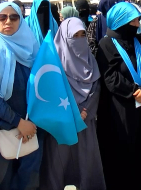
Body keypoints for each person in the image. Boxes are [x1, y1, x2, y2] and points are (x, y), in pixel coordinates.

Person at [95, 2, 141, 190]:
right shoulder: (106, 44)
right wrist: (134, 92)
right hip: (118, 110)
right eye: (132, 21)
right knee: (120, 153)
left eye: (137, 20)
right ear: (120, 21)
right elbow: (110, 77)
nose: (136, 24)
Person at [0, 2, 42, 190]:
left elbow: (44, 86)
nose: (8, 21)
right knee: (2, 181)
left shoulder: (32, 49)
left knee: (29, 181)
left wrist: (31, 123)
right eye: (2, 17)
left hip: (33, 127)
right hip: (2, 129)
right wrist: (19, 122)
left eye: (14, 17)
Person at [40, 17, 105, 190]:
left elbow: (96, 87)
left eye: (83, 34)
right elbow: (51, 90)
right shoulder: (53, 62)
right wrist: (72, 113)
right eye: (74, 35)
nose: (80, 39)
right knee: (58, 162)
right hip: (62, 122)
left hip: (85, 121)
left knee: (86, 162)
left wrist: (85, 111)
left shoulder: (90, 60)